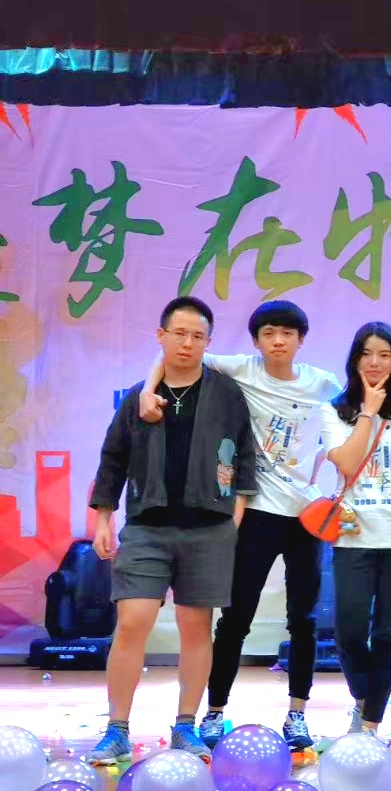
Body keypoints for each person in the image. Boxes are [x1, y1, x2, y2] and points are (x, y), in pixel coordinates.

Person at [140, 300, 341, 751]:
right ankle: (214, 712)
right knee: (235, 619)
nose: (278, 341)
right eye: (269, 333)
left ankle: (297, 714)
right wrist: (147, 392)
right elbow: (170, 357)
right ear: (256, 341)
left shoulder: (323, 383)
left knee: (304, 620)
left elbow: (356, 419)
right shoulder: (242, 369)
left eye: (287, 334)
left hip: (307, 516)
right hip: (257, 511)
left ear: (301, 340)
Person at [87, 297, 256, 765]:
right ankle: (116, 729)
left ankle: (185, 726)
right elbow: (113, 458)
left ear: (208, 342)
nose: (187, 343)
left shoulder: (226, 393)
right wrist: (103, 518)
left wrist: (236, 514)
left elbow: (245, 453)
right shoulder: (139, 396)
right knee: (132, 621)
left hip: (209, 528)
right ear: (160, 336)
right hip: (148, 526)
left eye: (197, 335)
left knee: (196, 627)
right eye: (179, 333)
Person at [318, 322, 391, 734]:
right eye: (366, 353)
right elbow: (347, 463)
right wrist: (367, 411)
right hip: (351, 538)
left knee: (387, 634)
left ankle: (371, 724)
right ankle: (364, 700)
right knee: (349, 632)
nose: (375, 362)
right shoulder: (334, 411)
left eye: (384, 354)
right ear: (354, 359)